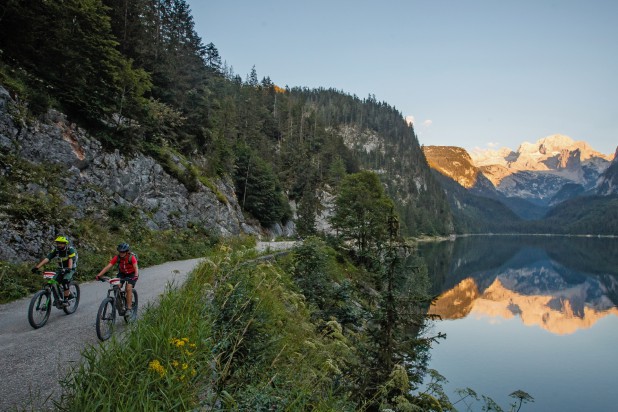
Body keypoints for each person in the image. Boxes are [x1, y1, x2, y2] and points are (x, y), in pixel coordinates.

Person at [31, 235, 77, 306]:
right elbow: (47, 258)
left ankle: (66, 300)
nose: (59, 245)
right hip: (61, 268)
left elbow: (71, 260)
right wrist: (37, 267)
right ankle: (57, 300)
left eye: (61, 243)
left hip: (70, 268)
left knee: (65, 281)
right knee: (53, 281)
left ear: (65, 244)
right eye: (58, 243)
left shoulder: (70, 250)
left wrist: (68, 268)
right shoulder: (56, 250)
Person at [96, 242, 139, 313]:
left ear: (126, 251)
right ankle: (120, 306)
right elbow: (108, 266)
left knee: (128, 288)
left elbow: (136, 267)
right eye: (120, 252)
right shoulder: (117, 257)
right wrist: (99, 275)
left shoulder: (131, 257)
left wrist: (136, 276)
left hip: (132, 274)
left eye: (123, 252)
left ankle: (129, 308)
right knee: (116, 287)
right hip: (122, 273)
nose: (121, 253)